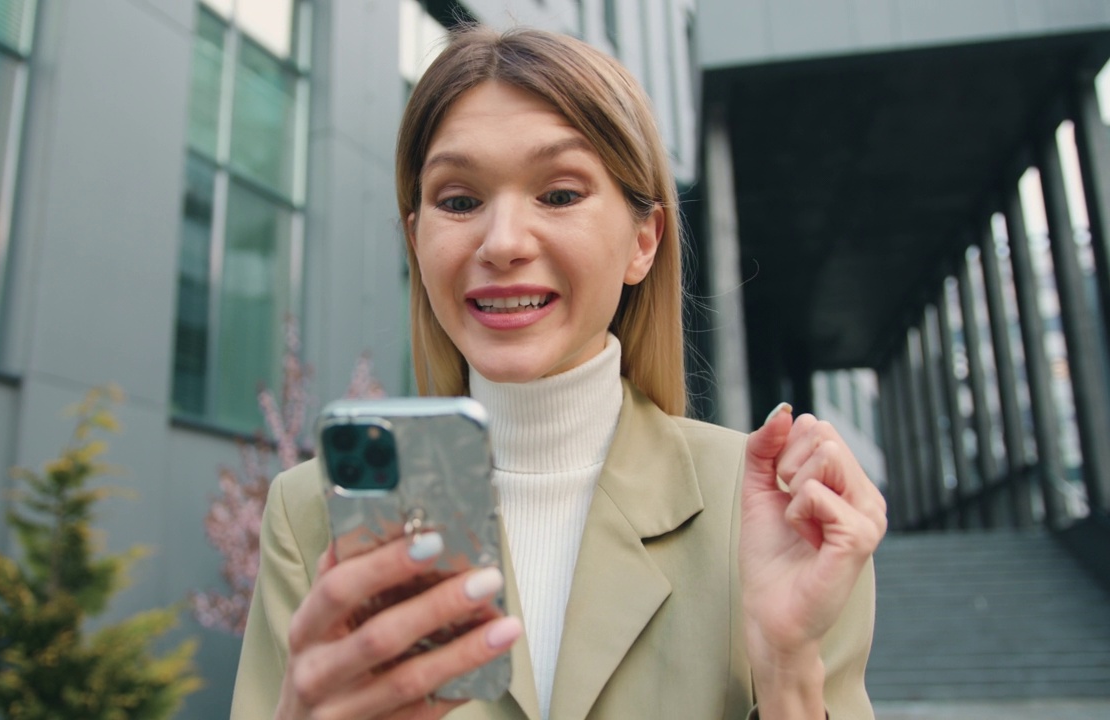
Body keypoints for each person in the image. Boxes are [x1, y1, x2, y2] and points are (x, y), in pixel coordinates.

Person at [232, 25, 886, 720]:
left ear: (644, 241)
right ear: (415, 238)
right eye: (459, 201)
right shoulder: (313, 516)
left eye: (560, 194)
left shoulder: (772, 512)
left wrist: (786, 671)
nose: (504, 242)